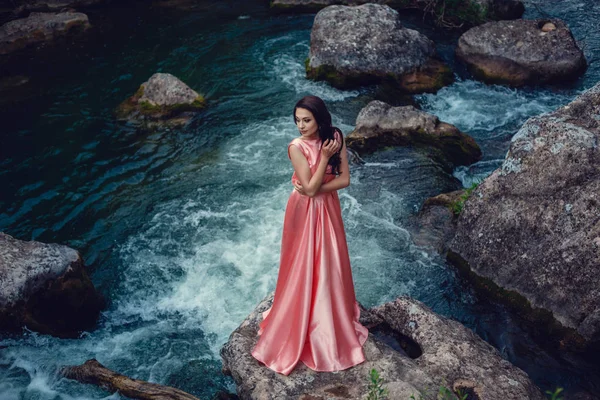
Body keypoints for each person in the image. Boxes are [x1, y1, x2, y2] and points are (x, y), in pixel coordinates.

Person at [250, 95, 368, 376]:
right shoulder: (295, 147)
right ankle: (302, 315)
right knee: (304, 261)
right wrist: (324, 161)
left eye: (307, 120)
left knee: (330, 259)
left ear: (320, 119)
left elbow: (343, 181)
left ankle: (330, 314)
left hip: (326, 205)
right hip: (302, 209)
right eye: (297, 121)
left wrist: (319, 185)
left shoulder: (336, 136)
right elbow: (310, 189)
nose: (301, 126)